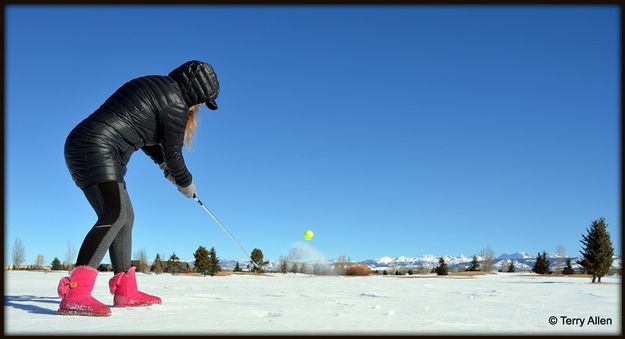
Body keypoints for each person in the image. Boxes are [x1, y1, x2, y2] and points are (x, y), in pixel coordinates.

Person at [58, 60, 220, 316]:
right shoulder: (176, 104)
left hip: (90, 146)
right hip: (97, 149)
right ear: (196, 91)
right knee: (114, 213)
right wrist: (185, 182)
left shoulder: (157, 86)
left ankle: (125, 291)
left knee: (125, 216)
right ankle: (76, 293)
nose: (198, 107)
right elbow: (174, 154)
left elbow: (145, 138)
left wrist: (165, 167)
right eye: (201, 101)